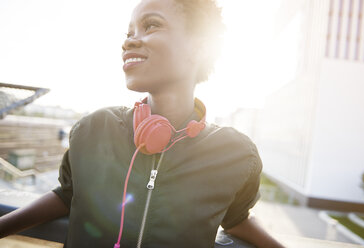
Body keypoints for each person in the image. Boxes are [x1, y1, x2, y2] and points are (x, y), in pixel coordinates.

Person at [0, 0, 285, 247]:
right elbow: (67, 195)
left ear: (198, 47)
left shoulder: (236, 154)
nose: (129, 41)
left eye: (150, 26)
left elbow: (236, 218)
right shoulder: (93, 129)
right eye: (129, 33)